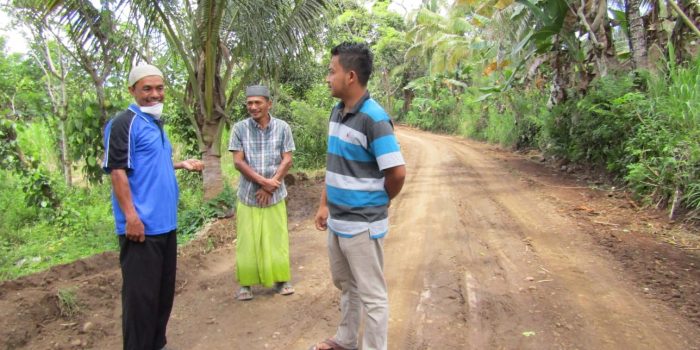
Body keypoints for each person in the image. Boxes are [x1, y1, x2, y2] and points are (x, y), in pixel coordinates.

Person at [311, 43, 406, 350]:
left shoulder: (374, 119)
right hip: (338, 221)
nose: (328, 77)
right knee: (346, 286)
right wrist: (325, 203)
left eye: (331, 71)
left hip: (363, 225)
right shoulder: (337, 112)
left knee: (373, 296)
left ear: (350, 76)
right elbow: (334, 162)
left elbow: (397, 173)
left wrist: (378, 201)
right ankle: (346, 339)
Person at [102, 64, 204, 350]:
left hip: (166, 225)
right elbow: (118, 171)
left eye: (159, 88)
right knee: (140, 302)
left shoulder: (154, 123)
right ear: (132, 90)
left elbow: (148, 163)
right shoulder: (124, 123)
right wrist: (131, 217)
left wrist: (181, 164)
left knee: (162, 296)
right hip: (141, 228)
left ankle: (156, 345)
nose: (154, 94)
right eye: (147, 88)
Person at [228, 85, 296, 301]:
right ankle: (246, 285)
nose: (253, 107)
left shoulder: (283, 127)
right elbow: (238, 162)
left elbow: (287, 159)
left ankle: (281, 280)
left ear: (269, 104)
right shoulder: (239, 128)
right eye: (249, 103)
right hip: (249, 195)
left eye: (258, 102)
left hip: (275, 194)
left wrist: (271, 185)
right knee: (247, 241)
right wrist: (263, 183)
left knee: (277, 238)